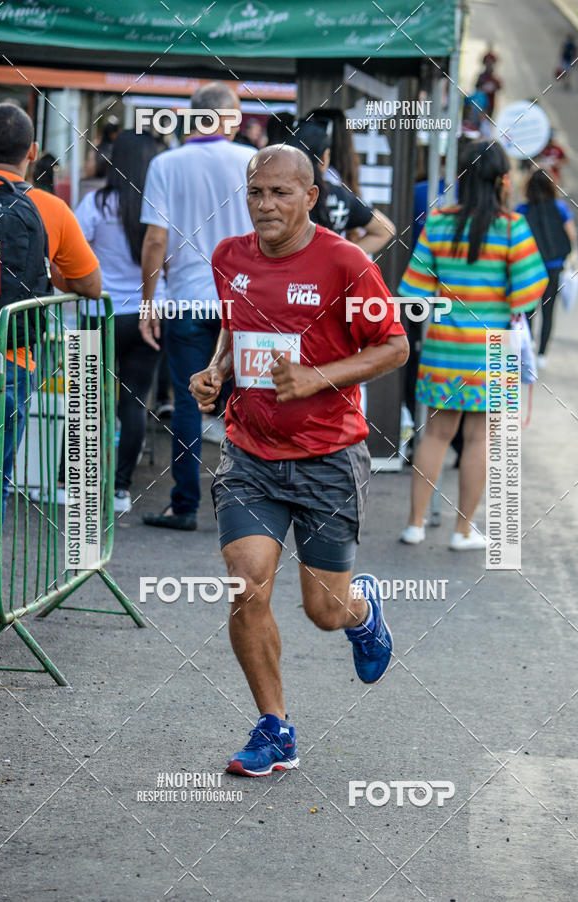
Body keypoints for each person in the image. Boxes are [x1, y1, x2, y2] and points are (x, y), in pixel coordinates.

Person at [189, 145, 409, 776]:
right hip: (250, 450)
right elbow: (234, 328)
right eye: (256, 192)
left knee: (323, 610)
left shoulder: (346, 262)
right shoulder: (229, 257)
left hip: (328, 457)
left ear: (311, 197)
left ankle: (359, 611)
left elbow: (393, 347)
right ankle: (274, 727)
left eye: (281, 193)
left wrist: (318, 378)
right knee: (245, 580)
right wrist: (216, 371)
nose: (266, 205)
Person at [398, 140, 548, 550]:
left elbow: (412, 291)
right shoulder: (511, 226)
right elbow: (529, 291)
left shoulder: (439, 223)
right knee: (480, 439)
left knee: (435, 435)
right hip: (493, 348)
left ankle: (414, 525)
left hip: (444, 347)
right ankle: (463, 530)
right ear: (502, 179)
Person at [139, 82, 256, 530]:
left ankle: (184, 505)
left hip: (186, 300)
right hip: (242, 301)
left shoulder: (165, 164)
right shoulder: (251, 160)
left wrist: (150, 302)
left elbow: (155, 240)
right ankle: (247, 506)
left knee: (190, 402)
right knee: (246, 401)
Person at [0, 103, 101, 515]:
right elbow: (92, 286)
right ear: (33, 151)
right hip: (11, 360)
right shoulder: (48, 208)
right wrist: (48, 270)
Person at [75, 130, 162, 512]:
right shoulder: (161, 209)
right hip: (148, 314)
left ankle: (77, 484)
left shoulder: (96, 202)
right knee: (134, 402)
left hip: (99, 312)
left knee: (89, 400)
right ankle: (121, 489)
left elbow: (72, 250)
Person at [288, 122, 395, 254]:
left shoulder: (279, 193)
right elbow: (385, 229)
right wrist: (341, 256)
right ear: (325, 156)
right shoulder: (339, 195)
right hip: (327, 273)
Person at [516, 168, 576, 366]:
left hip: (529, 267)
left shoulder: (522, 210)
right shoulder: (560, 208)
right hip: (553, 266)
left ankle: (529, 347)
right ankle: (542, 355)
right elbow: (571, 235)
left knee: (528, 308)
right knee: (548, 310)